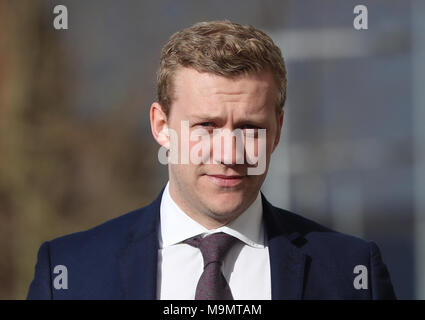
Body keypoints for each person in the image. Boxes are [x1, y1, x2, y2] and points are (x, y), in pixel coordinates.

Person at [27, 20, 396, 300]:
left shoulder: (351, 272)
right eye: (206, 125)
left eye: (250, 127)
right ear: (161, 126)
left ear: (278, 130)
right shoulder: (70, 274)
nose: (229, 153)